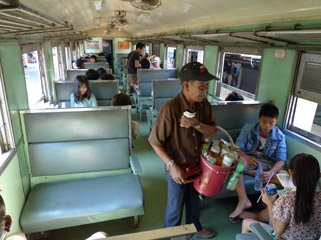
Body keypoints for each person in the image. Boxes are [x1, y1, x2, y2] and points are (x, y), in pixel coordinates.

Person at [148, 62, 219, 239]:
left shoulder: (204, 106)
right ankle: (168, 236)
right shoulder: (170, 109)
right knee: (175, 208)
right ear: (186, 85)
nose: (204, 90)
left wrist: (197, 124)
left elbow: (212, 130)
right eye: (201, 86)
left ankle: (195, 228)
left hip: (198, 165)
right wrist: (171, 166)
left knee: (194, 202)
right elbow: (155, 143)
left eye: (207, 86)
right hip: (177, 166)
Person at [236, 153, 321, 240]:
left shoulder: (288, 200)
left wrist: (270, 202)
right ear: (319, 175)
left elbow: (277, 231)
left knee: (246, 222)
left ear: (290, 172)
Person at [229, 103, 287, 222]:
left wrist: (271, 172)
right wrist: (246, 157)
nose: (267, 125)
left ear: (276, 121)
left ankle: (271, 205)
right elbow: (236, 148)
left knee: (284, 174)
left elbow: (281, 160)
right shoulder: (248, 128)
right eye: (264, 121)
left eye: (271, 122)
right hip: (249, 159)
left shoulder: (280, 136)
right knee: (238, 164)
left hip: (267, 163)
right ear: (259, 119)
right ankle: (243, 200)